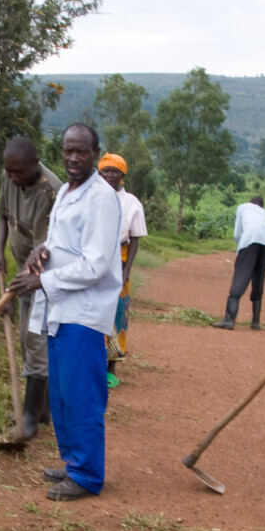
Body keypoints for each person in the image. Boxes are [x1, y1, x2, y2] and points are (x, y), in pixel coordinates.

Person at [9, 123, 122, 501]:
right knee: (61, 395)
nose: (73, 157)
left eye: (82, 151)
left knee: (82, 396)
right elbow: (60, 245)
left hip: (84, 313)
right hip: (60, 310)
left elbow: (96, 265)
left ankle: (88, 475)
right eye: (68, 150)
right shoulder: (67, 192)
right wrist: (41, 254)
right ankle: (74, 463)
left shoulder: (102, 198)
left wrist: (42, 282)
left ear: (94, 153)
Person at [0, 136, 62, 438]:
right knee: (25, 337)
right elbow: (2, 215)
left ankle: (30, 420)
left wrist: (9, 293)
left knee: (35, 340)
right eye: (9, 172)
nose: (14, 178)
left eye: (19, 172)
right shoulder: (11, 177)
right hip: (24, 269)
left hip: (44, 273)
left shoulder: (51, 192)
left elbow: (42, 253)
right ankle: (42, 410)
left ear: (35, 164)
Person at [97, 153, 147, 387]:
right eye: (105, 171)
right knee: (93, 313)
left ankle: (111, 368)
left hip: (120, 258)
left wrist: (127, 270)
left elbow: (135, 238)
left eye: (114, 172)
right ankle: (93, 365)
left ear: (122, 176)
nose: (109, 176)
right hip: (95, 258)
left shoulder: (131, 203)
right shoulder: (92, 196)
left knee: (117, 315)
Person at [216, 195, 265, 330]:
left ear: (251, 203)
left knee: (240, 279)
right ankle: (255, 322)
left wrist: (243, 248)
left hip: (249, 240)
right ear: (261, 206)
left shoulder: (243, 207)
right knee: (258, 279)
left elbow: (237, 234)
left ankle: (229, 320)